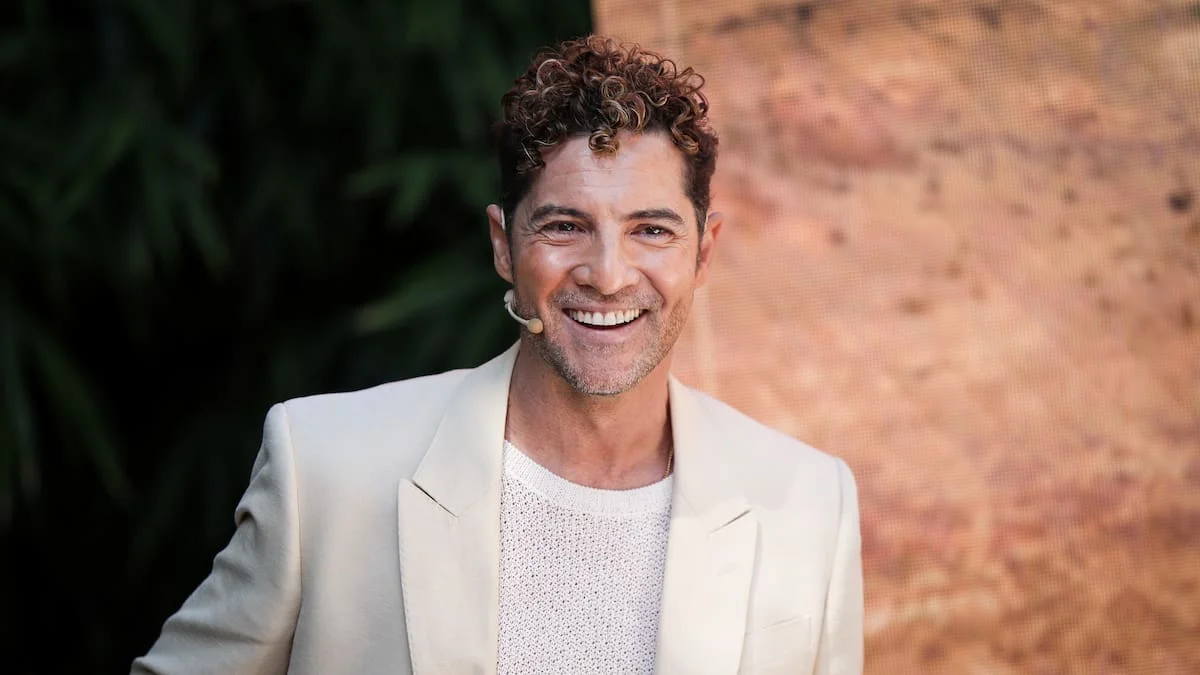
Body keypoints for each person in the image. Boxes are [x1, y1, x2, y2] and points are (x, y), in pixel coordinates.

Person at [132, 35, 863, 675]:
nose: (607, 273)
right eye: (565, 225)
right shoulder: (325, 469)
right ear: (502, 246)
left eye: (651, 230)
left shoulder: (809, 503)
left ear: (704, 252)